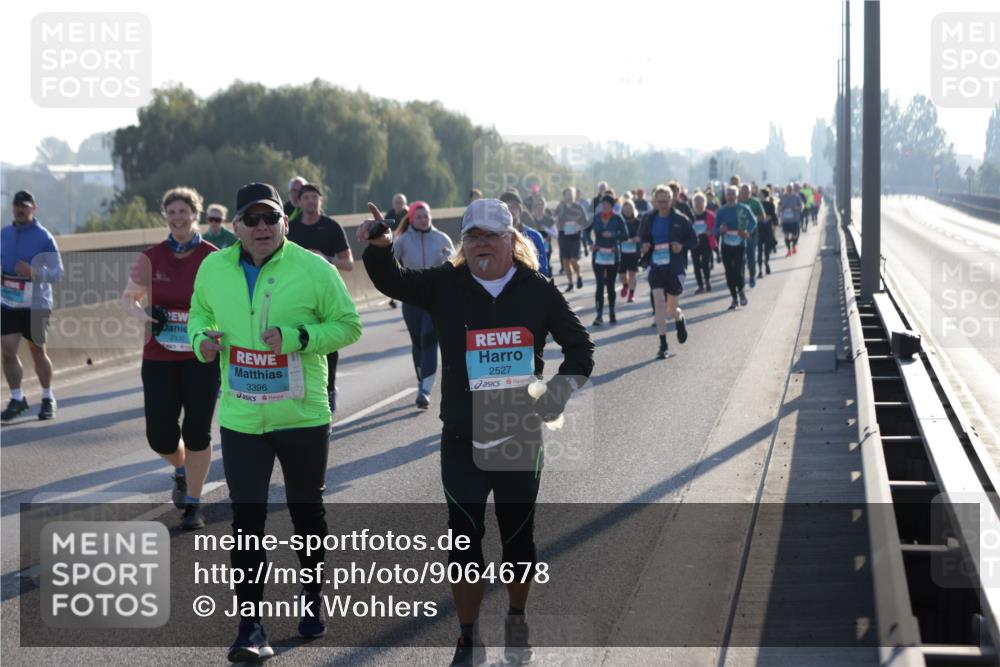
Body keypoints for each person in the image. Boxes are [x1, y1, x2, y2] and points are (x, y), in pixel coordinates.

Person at [360, 198, 594, 667]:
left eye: (491, 235)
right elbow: (393, 281)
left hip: (518, 437)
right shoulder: (447, 284)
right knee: (464, 540)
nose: (482, 244)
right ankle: (468, 636)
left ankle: (516, 615)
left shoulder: (537, 290)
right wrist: (382, 246)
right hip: (462, 439)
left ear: (512, 239)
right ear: (463, 244)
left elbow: (581, 349)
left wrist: (554, 399)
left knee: (518, 540)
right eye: (473, 237)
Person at [189, 182, 361, 662]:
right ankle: (250, 626)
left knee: (307, 513)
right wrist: (202, 339)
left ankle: (312, 598)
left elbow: (348, 324)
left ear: (284, 222)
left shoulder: (313, 268)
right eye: (252, 219)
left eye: (270, 218)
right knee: (247, 520)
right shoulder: (213, 267)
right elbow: (198, 315)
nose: (262, 227)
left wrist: (296, 336)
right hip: (243, 417)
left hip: (302, 415)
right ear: (237, 226)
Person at [121, 187, 220, 529]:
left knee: (197, 432)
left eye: (184, 211)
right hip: (159, 354)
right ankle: (181, 468)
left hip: (200, 355)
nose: (178, 217)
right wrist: (145, 315)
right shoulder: (152, 256)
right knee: (159, 436)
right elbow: (128, 300)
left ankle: (193, 503)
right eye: (171, 212)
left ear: (196, 214)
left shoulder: (213, 256)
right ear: (165, 216)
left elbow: (227, 302)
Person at [287, 183, 354, 415]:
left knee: (326, 342)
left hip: (325, 294)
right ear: (299, 201)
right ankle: (296, 391)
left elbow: (349, 264)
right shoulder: (291, 229)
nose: (311, 201)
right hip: (296, 294)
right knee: (298, 340)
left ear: (320, 201)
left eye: (315, 197)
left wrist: (325, 258)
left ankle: (329, 388)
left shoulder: (331, 227)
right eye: (306, 197)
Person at [1, 190, 63, 421]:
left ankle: (48, 397)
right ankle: (18, 399)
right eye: (17, 205)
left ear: (33, 208)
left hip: (37, 304)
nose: (20, 209)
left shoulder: (44, 237)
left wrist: (33, 272)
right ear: (13, 207)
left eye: (25, 206)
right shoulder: (4, 234)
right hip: (8, 302)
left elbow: (58, 274)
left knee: (37, 351)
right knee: (7, 350)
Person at [392, 200, 454, 409]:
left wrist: (450, 260)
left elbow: (457, 263)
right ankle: (422, 380)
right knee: (418, 343)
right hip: (411, 300)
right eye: (418, 216)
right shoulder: (402, 240)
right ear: (411, 219)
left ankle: (425, 391)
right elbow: (389, 264)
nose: (423, 219)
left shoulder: (441, 238)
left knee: (429, 340)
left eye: (426, 215)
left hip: (435, 300)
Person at [639, 185, 697, 359]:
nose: (663, 204)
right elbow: (642, 238)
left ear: (672, 200)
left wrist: (682, 246)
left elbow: (694, 240)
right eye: (660, 201)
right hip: (656, 266)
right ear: (654, 201)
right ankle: (663, 344)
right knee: (659, 304)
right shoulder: (648, 219)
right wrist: (645, 245)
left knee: (671, 311)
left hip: (674, 267)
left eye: (666, 201)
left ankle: (679, 319)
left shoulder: (681, 219)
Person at [715, 185, 757, 310]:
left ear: (737, 195)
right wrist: (720, 230)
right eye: (728, 194)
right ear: (725, 196)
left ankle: (741, 291)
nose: (730, 196)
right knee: (729, 272)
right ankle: (734, 298)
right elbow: (715, 229)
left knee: (738, 270)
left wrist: (747, 232)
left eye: (733, 194)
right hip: (726, 244)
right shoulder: (721, 211)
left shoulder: (743, 208)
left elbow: (754, 222)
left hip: (740, 244)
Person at [588, 194, 628, 325]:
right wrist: (590, 243)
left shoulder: (617, 218)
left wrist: (613, 235)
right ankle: (599, 315)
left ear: (612, 206)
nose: (604, 207)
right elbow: (585, 231)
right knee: (599, 285)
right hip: (598, 254)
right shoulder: (596, 217)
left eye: (607, 205)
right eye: (602, 204)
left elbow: (625, 235)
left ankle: (612, 312)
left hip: (613, 255)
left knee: (610, 286)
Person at [499, 191, 550, 279]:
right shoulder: (494, 236)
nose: (510, 210)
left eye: (514, 207)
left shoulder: (534, 236)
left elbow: (542, 270)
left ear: (520, 210)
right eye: (506, 207)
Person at [555, 187, 587, 292]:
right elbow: (554, 220)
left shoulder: (578, 207)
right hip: (563, 236)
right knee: (565, 262)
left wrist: (579, 226)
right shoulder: (560, 207)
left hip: (575, 237)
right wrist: (557, 222)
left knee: (574, 260)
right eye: (567, 194)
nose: (570, 196)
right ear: (564, 196)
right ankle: (570, 283)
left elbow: (585, 222)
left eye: (571, 194)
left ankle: (579, 275)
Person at [383, 193, 409, 309]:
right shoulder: (390, 214)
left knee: (404, 272)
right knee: (393, 271)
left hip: (406, 248)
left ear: (404, 204)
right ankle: (393, 297)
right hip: (393, 248)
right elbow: (383, 227)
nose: (398, 205)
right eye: (396, 203)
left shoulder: (408, 215)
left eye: (400, 203)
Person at [738, 184, 765, 289]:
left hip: (752, 233)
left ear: (750, 192)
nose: (745, 194)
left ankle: (752, 275)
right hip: (739, 233)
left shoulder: (755, 202)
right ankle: (741, 278)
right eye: (743, 192)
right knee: (740, 257)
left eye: (747, 192)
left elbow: (763, 217)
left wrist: (751, 218)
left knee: (750, 256)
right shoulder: (737, 202)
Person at [690, 191, 717, 293]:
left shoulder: (710, 215)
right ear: (693, 203)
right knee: (696, 265)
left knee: (705, 263)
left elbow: (716, 227)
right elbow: (687, 229)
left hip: (706, 241)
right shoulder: (691, 216)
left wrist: (710, 231)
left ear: (704, 203)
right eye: (696, 202)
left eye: (701, 202)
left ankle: (707, 281)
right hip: (695, 243)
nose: (699, 204)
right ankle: (700, 285)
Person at [618, 199, 642, 303]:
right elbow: (615, 234)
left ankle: (631, 294)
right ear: (622, 210)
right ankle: (625, 285)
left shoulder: (637, 222)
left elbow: (642, 235)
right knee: (622, 276)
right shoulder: (619, 221)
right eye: (625, 209)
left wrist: (637, 238)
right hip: (622, 252)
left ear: (633, 210)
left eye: (629, 209)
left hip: (634, 252)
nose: (627, 211)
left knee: (632, 274)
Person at [529, 196, 558, 282]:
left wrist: (546, 229)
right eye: (538, 204)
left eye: (542, 204)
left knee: (545, 264)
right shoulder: (530, 218)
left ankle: (548, 281)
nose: (540, 206)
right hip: (532, 246)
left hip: (546, 245)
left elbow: (556, 234)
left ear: (544, 206)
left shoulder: (549, 219)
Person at [757, 187, 777, 277]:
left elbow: (773, 216)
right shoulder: (757, 204)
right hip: (759, 229)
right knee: (759, 250)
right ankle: (760, 270)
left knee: (766, 250)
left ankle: (767, 262)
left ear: (764, 195)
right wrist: (759, 218)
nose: (758, 195)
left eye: (760, 193)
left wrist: (770, 219)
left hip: (767, 229)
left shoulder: (770, 204)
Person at [779, 184, 803, 256]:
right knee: (786, 235)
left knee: (794, 236)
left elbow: (800, 207)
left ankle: (793, 246)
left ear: (792, 190)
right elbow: (779, 207)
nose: (788, 190)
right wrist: (781, 208)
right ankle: (789, 250)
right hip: (785, 220)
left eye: (790, 189)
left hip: (794, 219)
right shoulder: (783, 197)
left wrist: (795, 208)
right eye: (787, 189)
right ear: (786, 189)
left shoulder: (796, 197)